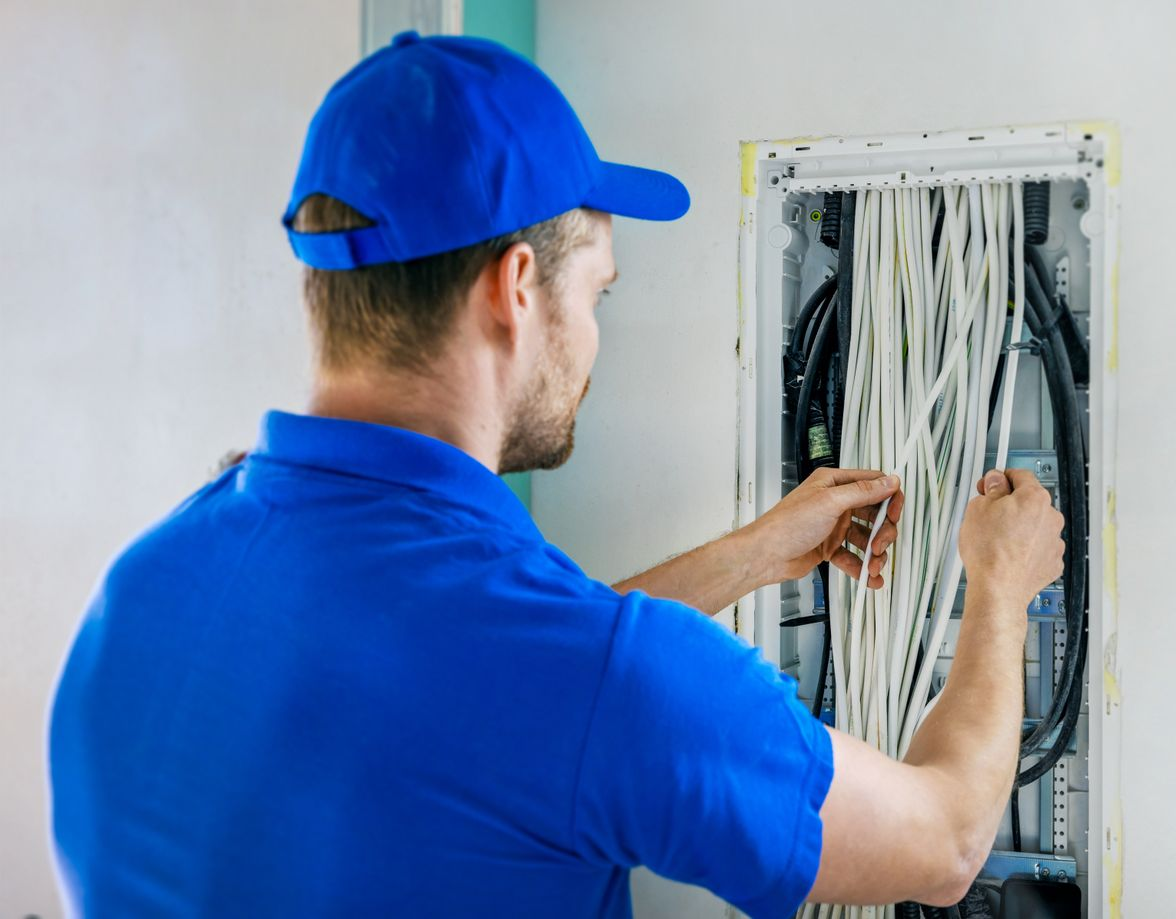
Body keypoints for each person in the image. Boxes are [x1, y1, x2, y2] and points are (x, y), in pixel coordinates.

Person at [48, 32, 1065, 919]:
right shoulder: (582, 682)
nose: (594, 340)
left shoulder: (136, 592)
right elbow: (945, 841)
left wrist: (753, 556)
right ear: (517, 289)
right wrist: (1002, 588)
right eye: (598, 294)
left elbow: (492, 696)